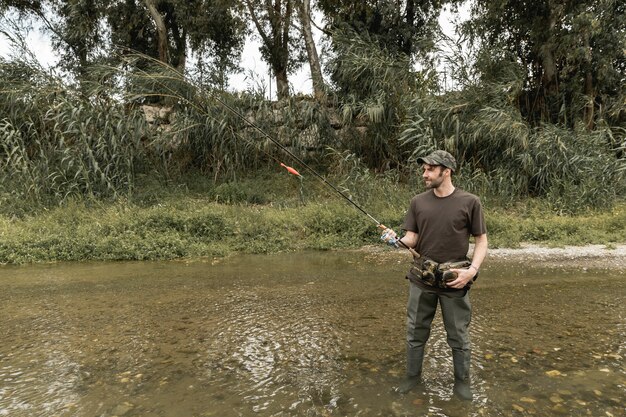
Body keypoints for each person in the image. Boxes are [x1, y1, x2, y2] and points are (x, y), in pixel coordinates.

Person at [381, 150, 488, 400]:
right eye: (424, 169)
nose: (424, 174)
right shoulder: (418, 202)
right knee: (415, 333)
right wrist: (395, 241)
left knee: (458, 336)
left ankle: (462, 383)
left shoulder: (470, 201)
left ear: (446, 171)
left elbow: (481, 241)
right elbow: (412, 239)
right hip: (421, 280)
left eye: (430, 169)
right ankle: (411, 379)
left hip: (455, 281)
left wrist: (471, 271)